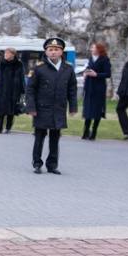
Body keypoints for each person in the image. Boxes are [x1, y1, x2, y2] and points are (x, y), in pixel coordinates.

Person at [25, 37, 78, 174]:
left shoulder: (68, 69)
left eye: (56, 50)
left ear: (61, 52)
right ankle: (37, 163)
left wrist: (73, 107)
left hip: (58, 108)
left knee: (55, 137)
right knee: (39, 137)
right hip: (42, 108)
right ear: (46, 52)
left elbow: (72, 89)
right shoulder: (39, 68)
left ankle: (52, 164)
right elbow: (30, 89)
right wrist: (31, 107)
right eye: (50, 50)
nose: (53, 52)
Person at [0, 47, 25, 133]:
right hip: (2, 90)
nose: (6, 55)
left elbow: (22, 78)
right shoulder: (0, 64)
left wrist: (22, 90)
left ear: (13, 55)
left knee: (11, 111)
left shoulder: (18, 64)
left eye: (8, 53)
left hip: (14, 91)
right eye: (5, 53)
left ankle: (8, 127)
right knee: (0, 110)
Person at [81, 41, 112, 139]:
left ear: (98, 49)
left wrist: (97, 75)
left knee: (97, 111)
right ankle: (86, 131)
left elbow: (108, 74)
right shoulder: (90, 59)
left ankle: (93, 132)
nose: (91, 49)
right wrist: (85, 73)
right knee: (88, 110)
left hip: (99, 88)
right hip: (89, 87)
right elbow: (88, 68)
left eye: (93, 48)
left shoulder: (105, 59)